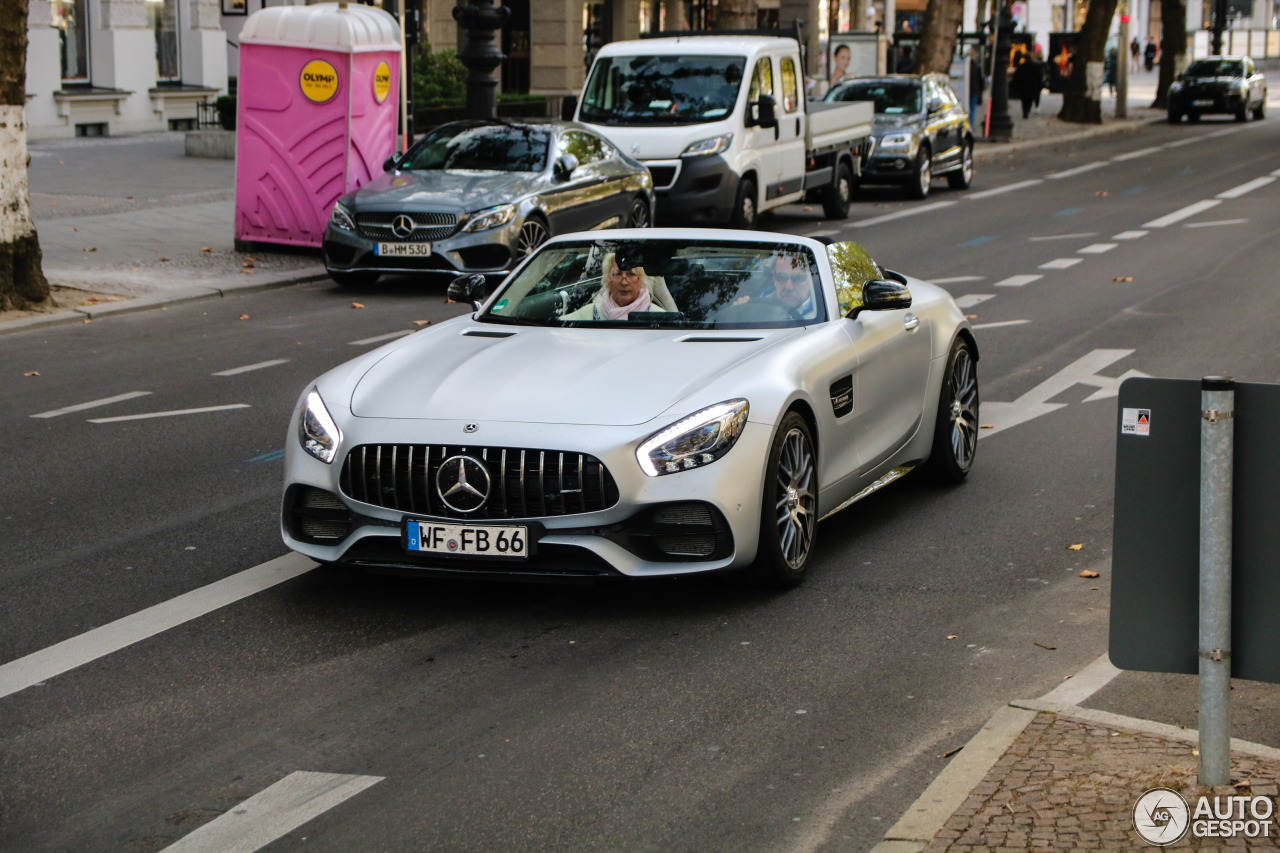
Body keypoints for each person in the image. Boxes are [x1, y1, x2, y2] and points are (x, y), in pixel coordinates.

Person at [561, 252, 678, 321]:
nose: (624, 282)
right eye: (617, 274)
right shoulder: (589, 313)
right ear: (607, 280)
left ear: (641, 280)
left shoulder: (659, 316)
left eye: (631, 274)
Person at [1010, 54, 1042, 119]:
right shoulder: (1034, 66)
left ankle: (1025, 111)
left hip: (1023, 85)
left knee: (1024, 100)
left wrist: (1014, 84)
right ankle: (1027, 110)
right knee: (1029, 99)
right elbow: (1039, 76)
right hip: (1031, 85)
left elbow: (1016, 76)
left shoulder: (1022, 66)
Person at [967, 46, 985, 129]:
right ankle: (971, 123)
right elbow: (980, 80)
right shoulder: (976, 66)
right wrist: (981, 90)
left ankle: (969, 123)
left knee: (967, 107)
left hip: (967, 90)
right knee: (973, 107)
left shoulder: (967, 66)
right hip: (974, 90)